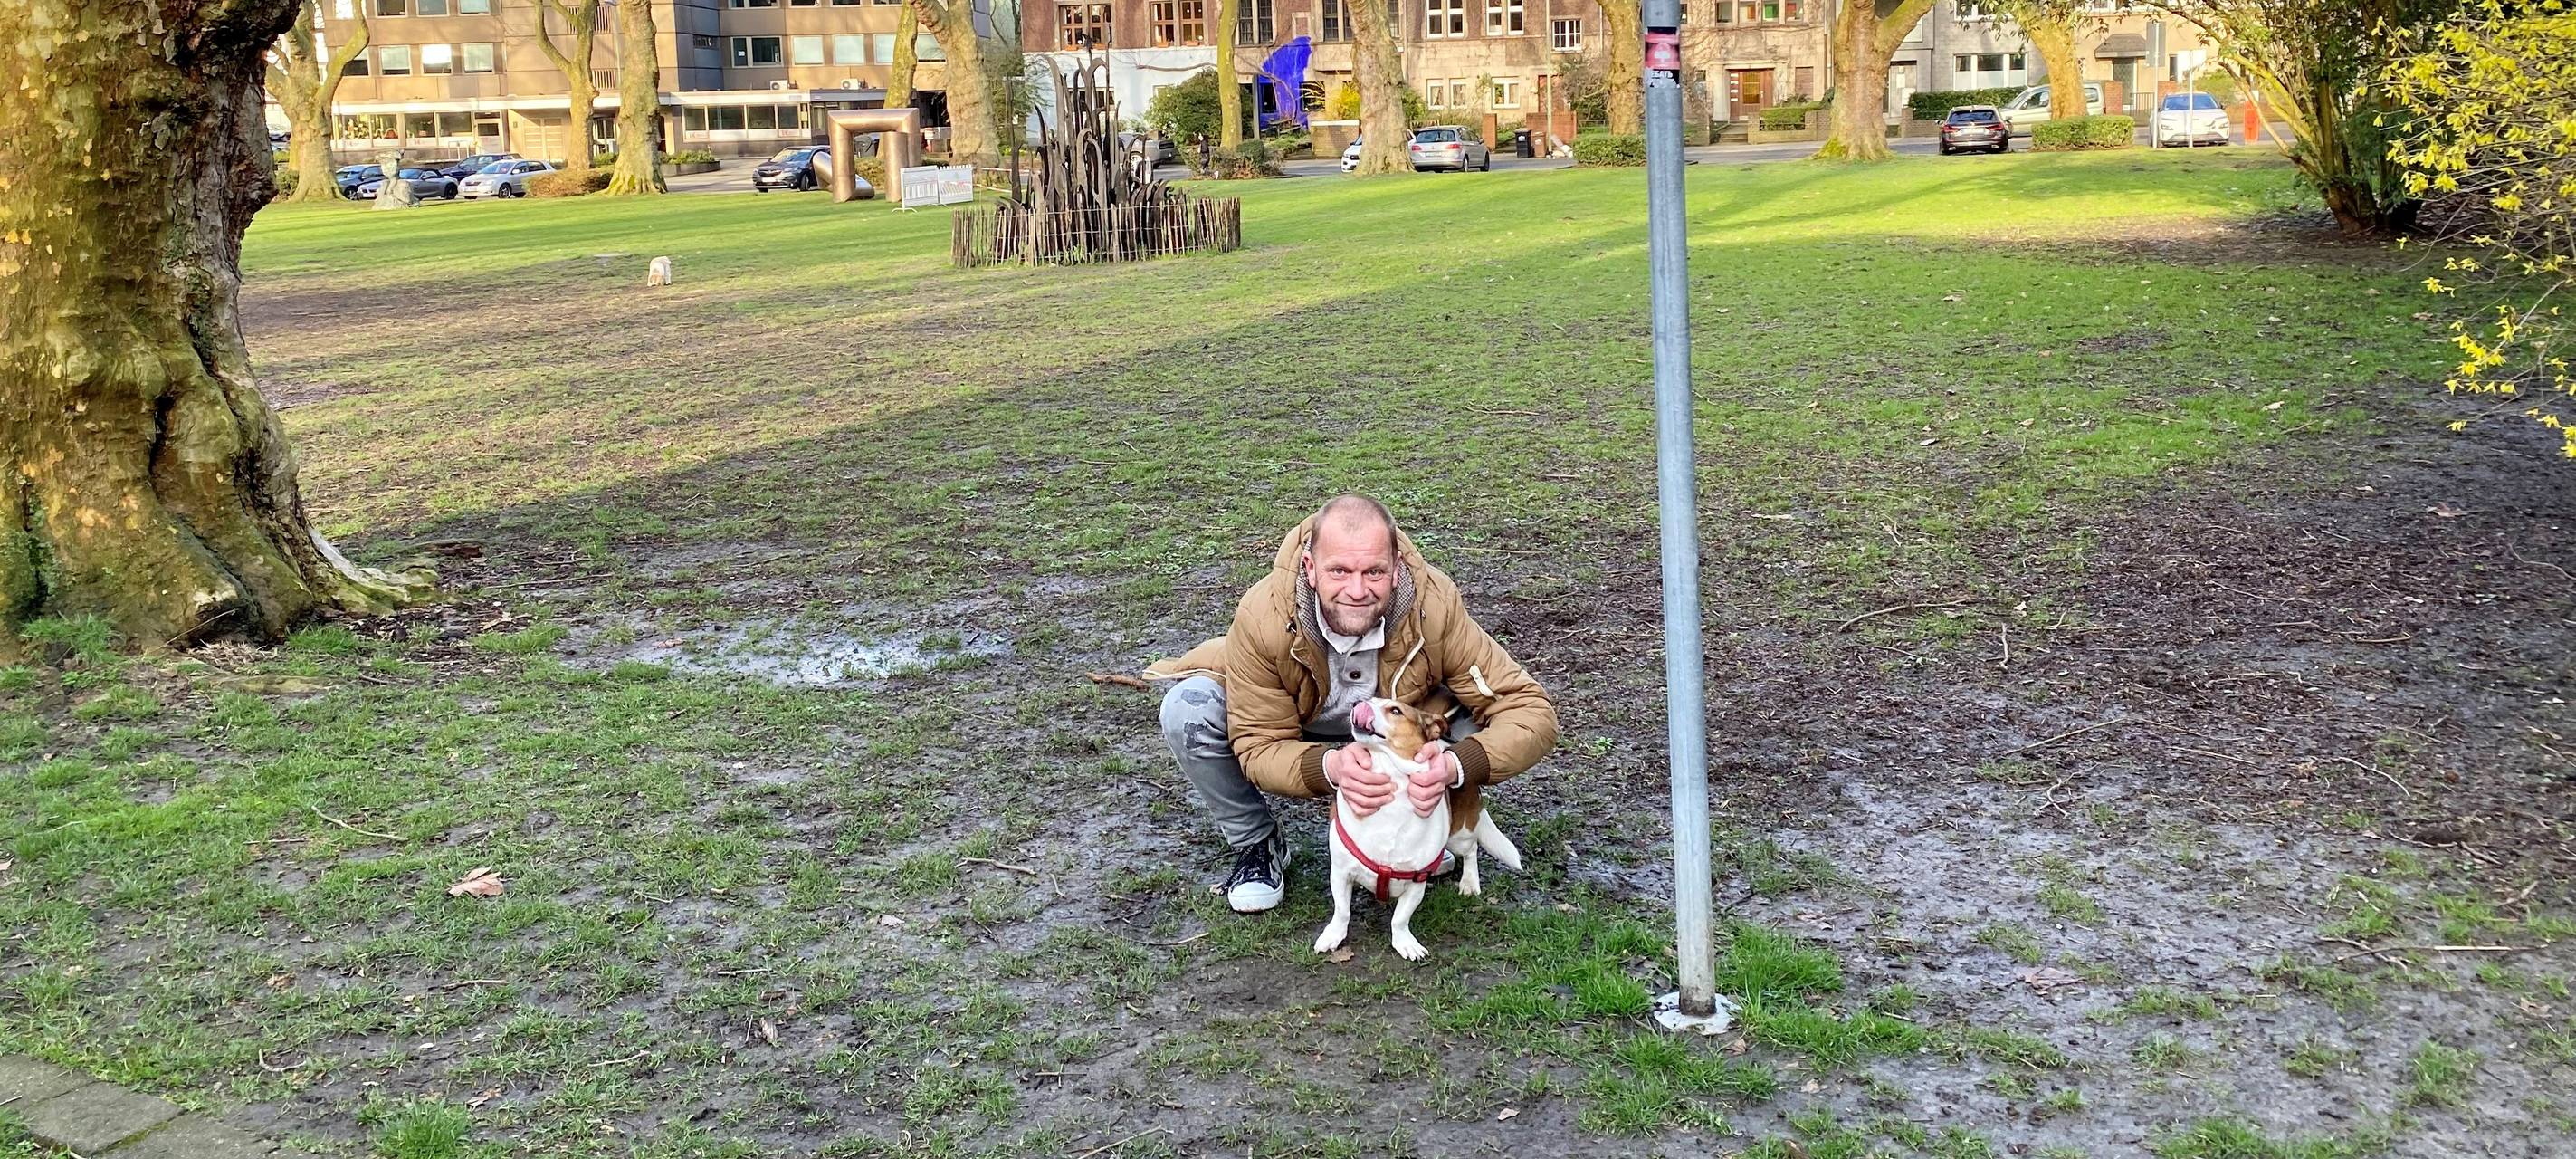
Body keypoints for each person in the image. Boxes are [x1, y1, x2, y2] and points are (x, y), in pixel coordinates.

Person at [1148, 495, 1560, 912]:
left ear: (1397, 569)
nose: (1358, 590)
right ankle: (1258, 842)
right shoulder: (1262, 616)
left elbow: (1528, 710)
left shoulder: (1434, 604)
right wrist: (1330, 766)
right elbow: (1259, 743)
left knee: (1469, 720)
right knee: (1188, 708)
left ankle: (1425, 831)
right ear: (1310, 569)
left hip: (1396, 725)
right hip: (1300, 721)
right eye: (1339, 571)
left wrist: (1454, 766)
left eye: (1375, 572)